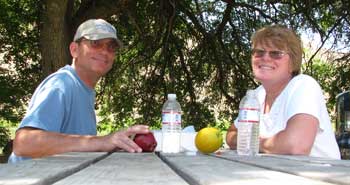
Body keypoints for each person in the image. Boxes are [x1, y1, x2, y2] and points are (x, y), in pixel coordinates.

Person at [8, 19, 150, 163]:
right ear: (74, 50)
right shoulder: (61, 85)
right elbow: (24, 143)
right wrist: (101, 142)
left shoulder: (84, 90)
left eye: (111, 46)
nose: (104, 51)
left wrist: (111, 144)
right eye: (95, 43)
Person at [226, 25, 341, 159]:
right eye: (259, 52)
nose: (265, 58)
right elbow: (231, 134)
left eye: (276, 54)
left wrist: (253, 142)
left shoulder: (303, 85)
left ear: (292, 62)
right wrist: (270, 143)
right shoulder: (257, 95)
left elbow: (296, 145)